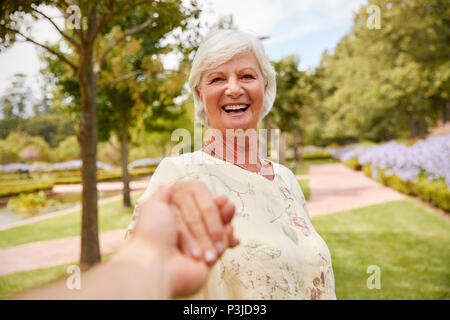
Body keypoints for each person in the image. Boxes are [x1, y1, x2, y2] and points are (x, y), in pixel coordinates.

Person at [127, 29, 336, 300]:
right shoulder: (180, 175)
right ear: (200, 95)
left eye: (247, 76)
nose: (234, 89)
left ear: (265, 86)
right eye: (217, 79)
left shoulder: (286, 179)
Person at [12, 185, 239, 300]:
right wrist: (150, 256)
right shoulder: (174, 173)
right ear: (198, 95)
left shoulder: (277, 175)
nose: (233, 90)